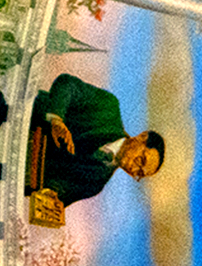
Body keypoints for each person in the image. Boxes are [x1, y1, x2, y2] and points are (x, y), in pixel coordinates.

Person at [30, 73, 165, 208]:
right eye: (141, 160)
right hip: (26, 117)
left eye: (139, 173)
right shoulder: (108, 107)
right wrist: (56, 119)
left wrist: (51, 198)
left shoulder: (95, 184)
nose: (133, 168)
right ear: (142, 137)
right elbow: (67, 84)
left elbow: (57, 196)